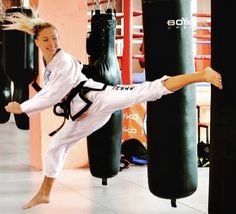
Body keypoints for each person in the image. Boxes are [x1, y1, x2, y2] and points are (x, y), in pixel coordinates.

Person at [2, 12, 223, 210]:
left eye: (55, 37)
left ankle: (202, 74)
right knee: (55, 146)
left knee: (147, 90)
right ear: (37, 42)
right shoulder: (48, 64)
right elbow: (53, 90)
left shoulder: (64, 62)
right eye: (46, 39)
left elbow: (51, 95)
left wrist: (22, 107)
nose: (52, 43)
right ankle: (44, 193)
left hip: (99, 99)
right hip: (82, 115)